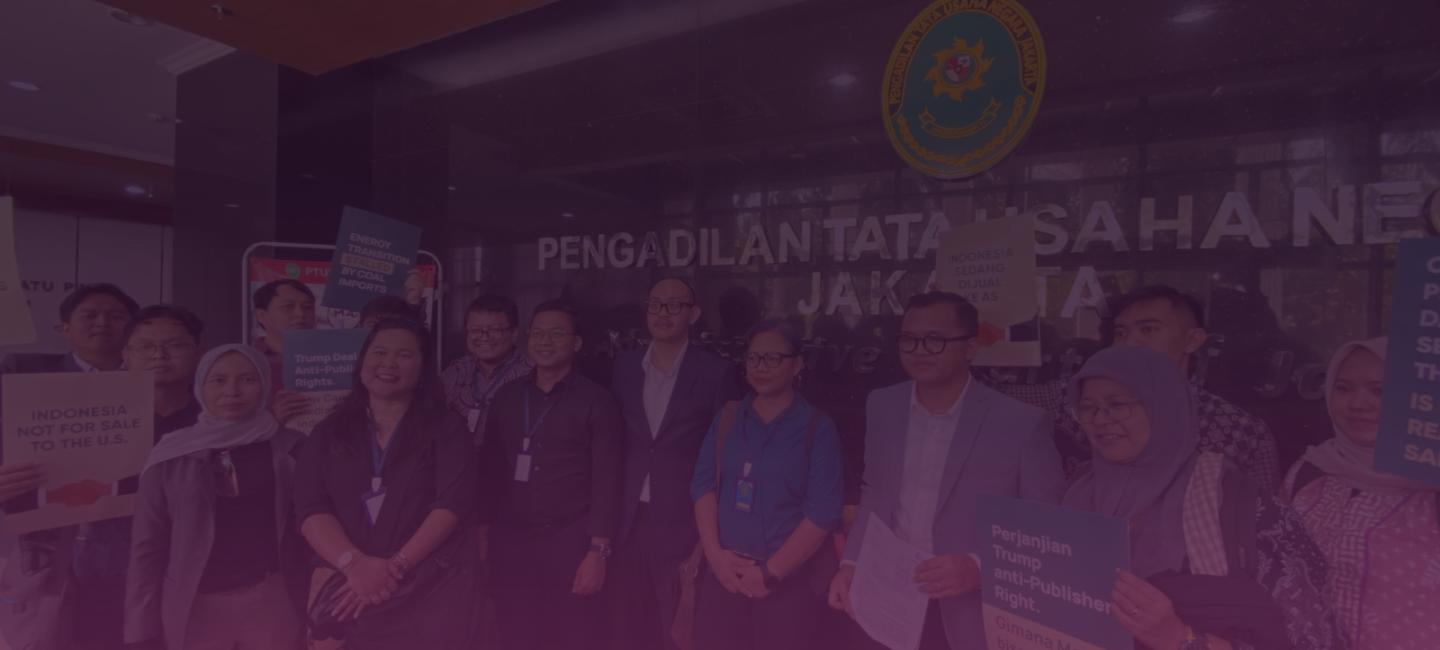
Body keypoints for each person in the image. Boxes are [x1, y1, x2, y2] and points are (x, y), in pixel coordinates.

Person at [828, 291, 1066, 649]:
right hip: (888, 595)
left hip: (969, 613)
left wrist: (980, 569)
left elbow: (1048, 531)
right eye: (909, 339)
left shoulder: (1021, 424)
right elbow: (874, 492)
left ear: (971, 346)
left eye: (935, 340)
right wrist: (853, 562)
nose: (919, 350)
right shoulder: (882, 405)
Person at [1064, 346, 1342, 650]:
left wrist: (1176, 637)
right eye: (1088, 407)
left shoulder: (1239, 506)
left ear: (1164, 407)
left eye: (1117, 404)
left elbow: (1312, 641)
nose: (1100, 418)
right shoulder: (1075, 495)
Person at [293, 318, 479, 649]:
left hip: (426, 586)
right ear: (362, 362)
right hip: (345, 585)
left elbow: (451, 505)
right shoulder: (328, 432)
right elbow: (310, 508)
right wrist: (354, 565)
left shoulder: (447, 429)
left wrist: (392, 568)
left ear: (422, 370)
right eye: (379, 352)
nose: (388, 363)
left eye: (404, 355)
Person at [1010, 285, 1281, 491]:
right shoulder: (1073, 401)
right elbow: (995, 400)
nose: (1129, 343)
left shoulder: (1241, 431)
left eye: (1148, 330)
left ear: (1193, 340)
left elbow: (1262, 526)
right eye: (1120, 333)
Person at [126, 345, 307, 650]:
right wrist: (139, 630)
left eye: (247, 379)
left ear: (265, 384)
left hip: (272, 598)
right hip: (195, 604)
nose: (232, 391)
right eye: (218, 380)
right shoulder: (170, 454)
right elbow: (147, 547)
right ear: (201, 386)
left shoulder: (292, 447)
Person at [0, 284, 139, 650]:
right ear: (64, 328)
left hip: (127, 538)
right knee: (46, 633)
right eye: (90, 315)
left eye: (116, 316)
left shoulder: (153, 381)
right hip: (44, 540)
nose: (103, 323)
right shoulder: (21, 373)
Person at [689, 319, 843, 650]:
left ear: (797, 364)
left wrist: (769, 573)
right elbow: (703, 486)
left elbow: (823, 514)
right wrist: (715, 557)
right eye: (753, 358)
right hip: (724, 576)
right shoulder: (728, 417)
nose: (760, 367)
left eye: (773, 358)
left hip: (787, 587)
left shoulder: (817, 428)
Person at [480, 300, 623, 650]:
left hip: (571, 541)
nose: (545, 341)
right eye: (538, 333)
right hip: (512, 542)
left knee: (575, 635)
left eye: (556, 334)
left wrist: (597, 552)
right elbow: (489, 475)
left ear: (577, 343)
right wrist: (483, 539)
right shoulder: (507, 397)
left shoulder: (597, 401)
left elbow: (608, 481)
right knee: (516, 633)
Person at [609, 278, 740, 650]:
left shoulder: (716, 372)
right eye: (655, 304)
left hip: (683, 524)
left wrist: (708, 533)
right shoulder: (624, 366)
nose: (663, 313)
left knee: (678, 632)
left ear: (693, 314)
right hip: (627, 524)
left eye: (674, 305)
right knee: (626, 631)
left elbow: (724, 455)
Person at [1285, 338, 1440, 649]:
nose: (1358, 404)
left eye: (1379, 391)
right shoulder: (1309, 472)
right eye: (1343, 388)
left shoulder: (1430, 481)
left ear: (1418, 398)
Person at [441, 294, 533, 444]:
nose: (484, 337)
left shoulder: (532, 373)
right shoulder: (455, 372)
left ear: (514, 333)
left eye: (495, 329)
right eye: (475, 330)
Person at [252, 279, 317, 426]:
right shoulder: (247, 362)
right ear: (261, 315)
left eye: (307, 307)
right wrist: (271, 419)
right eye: (288, 307)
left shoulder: (333, 358)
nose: (300, 314)